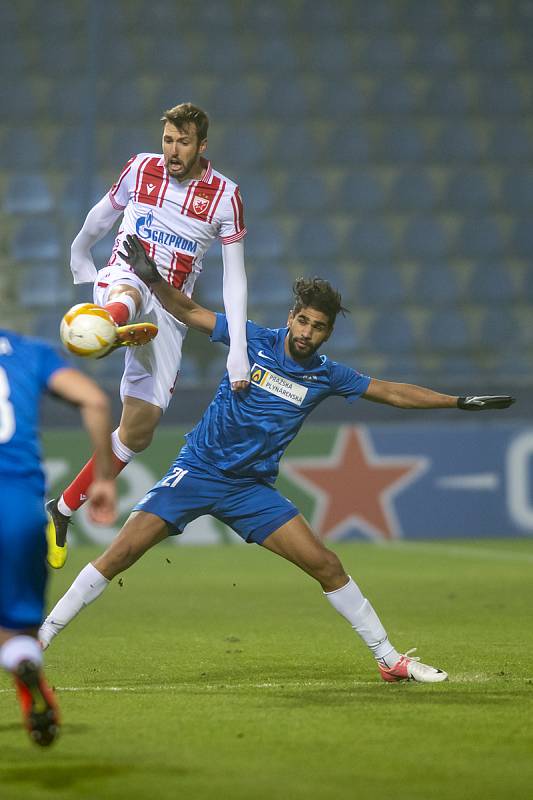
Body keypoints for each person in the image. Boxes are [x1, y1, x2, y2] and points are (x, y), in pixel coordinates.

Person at [39, 235, 515, 682]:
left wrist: (456, 401)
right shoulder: (251, 341)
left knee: (326, 565)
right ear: (291, 317)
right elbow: (190, 310)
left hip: (251, 490)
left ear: (328, 334)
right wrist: (153, 279)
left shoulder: (328, 375)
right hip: (199, 471)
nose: (308, 332)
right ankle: (40, 640)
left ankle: (389, 661)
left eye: (319, 327)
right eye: (303, 321)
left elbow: (390, 392)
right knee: (119, 554)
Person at [46, 102, 250, 570]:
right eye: (167, 140)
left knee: (138, 432)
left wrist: (237, 349)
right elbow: (101, 216)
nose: (172, 152)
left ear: (202, 146)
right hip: (126, 272)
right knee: (131, 286)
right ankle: (111, 324)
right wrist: (80, 258)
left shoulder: (224, 197)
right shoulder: (141, 168)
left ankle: (60, 510)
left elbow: (234, 280)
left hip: (171, 308)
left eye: (182, 143)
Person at [0, 328, 116, 746]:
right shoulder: (30, 351)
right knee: (18, 630)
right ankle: (26, 663)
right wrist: (102, 478)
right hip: (20, 506)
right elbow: (96, 400)